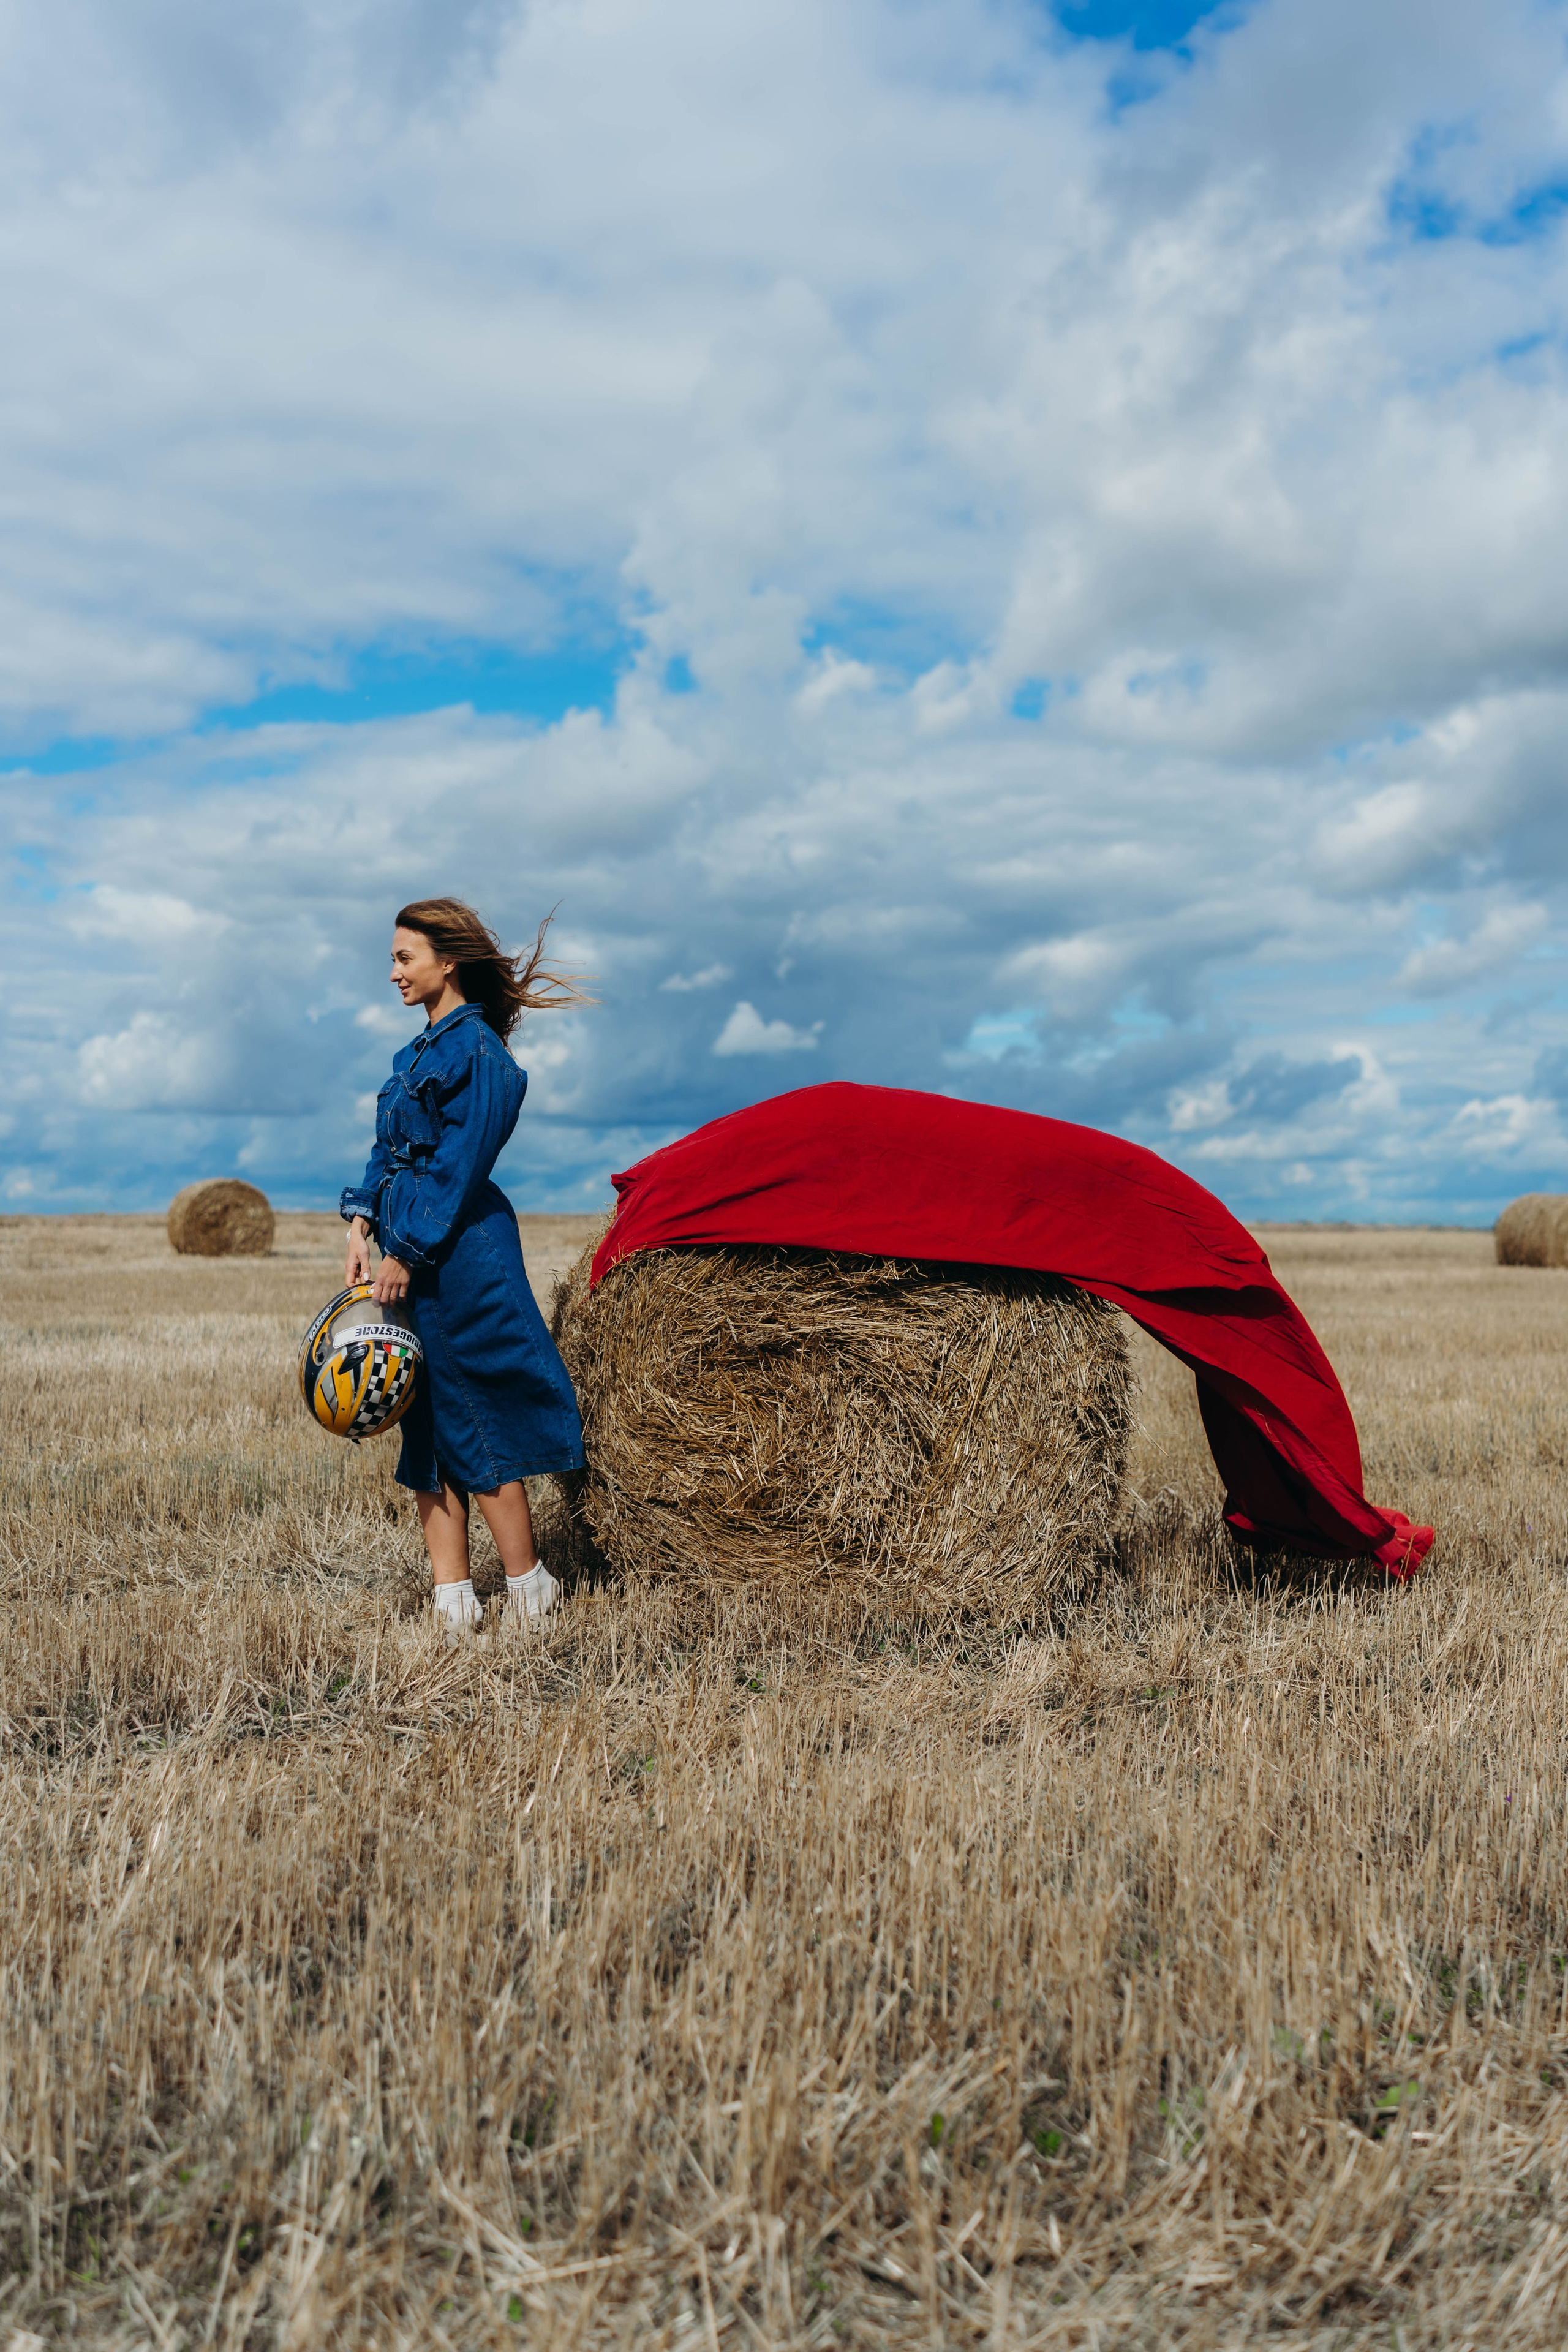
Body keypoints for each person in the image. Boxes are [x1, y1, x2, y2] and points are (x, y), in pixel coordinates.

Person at [341, 897, 590, 1638]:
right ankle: (453, 1602)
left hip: (459, 1252)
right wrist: (360, 1223)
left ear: (447, 962)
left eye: (403, 958)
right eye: (392, 958)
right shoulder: (412, 1055)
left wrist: (405, 1252)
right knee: (422, 1417)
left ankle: (530, 1588)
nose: (392, 973)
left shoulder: (478, 1053)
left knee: (474, 1411)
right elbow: (387, 1151)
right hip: (405, 1244)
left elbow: (457, 1165)